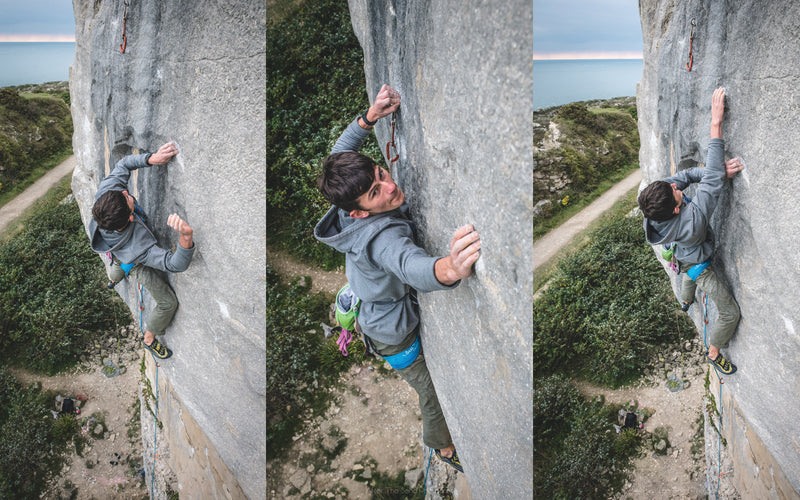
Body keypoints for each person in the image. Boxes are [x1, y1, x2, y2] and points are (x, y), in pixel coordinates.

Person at [314, 84, 481, 472]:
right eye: (376, 192)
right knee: (431, 392)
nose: (390, 186)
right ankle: (441, 447)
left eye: (381, 173)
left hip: (372, 304)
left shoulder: (345, 202)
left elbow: (340, 152)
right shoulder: (380, 237)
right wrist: (451, 269)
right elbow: (409, 265)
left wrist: (370, 117)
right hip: (394, 335)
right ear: (358, 213)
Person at [638, 87, 743, 374]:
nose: (676, 187)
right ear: (675, 210)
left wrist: (715, 171)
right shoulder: (692, 220)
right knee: (730, 311)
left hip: (682, 254)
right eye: (676, 194)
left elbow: (685, 177)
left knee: (685, 272)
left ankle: (685, 301)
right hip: (698, 263)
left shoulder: (652, 200)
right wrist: (715, 124)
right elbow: (708, 183)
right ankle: (713, 351)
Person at [89, 142, 195, 359]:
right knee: (168, 302)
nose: (127, 192)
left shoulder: (108, 196)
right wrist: (186, 236)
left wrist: (151, 158)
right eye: (128, 199)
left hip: (118, 249)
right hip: (132, 257)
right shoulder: (137, 247)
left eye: (124, 194)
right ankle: (148, 339)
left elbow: (124, 164)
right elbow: (175, 264)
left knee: (119, 264)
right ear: (130, 218)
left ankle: (113, 279)